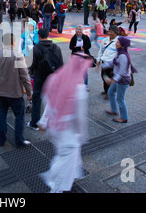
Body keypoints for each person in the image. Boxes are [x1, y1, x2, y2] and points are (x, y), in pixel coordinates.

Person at [37, 53, 92, 193]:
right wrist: (81, 135)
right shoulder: (78, 89)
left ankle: (68, 177)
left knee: (66, 156)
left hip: (55, 127)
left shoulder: (55, 78)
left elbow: (47, 101)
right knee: (64, 160)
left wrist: (44, 121)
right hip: (69, 133)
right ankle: (55, 186)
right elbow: (79, 117)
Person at [0, 33, 33, 148]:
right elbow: (24, 76)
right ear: (13, 42)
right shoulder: (18, 56)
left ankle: (1, 139)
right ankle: (19, 140)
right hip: (15, 92)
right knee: (19, 116)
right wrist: (29, 92)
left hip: (0, 92)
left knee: (1, 114)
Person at [27, 28, 63, 131]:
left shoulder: (36, 48)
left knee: (37, 99)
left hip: (40, 76)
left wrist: (32, 73)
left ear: (39, 36)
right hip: (53, 77)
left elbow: (31, 65)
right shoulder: (57, 48)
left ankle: (34, 123)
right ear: (48, 35)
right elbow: (60, 64)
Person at [100, 36, 136, 123]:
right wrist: (102, 65)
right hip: (118, 80)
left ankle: (124, 117)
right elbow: (113, 62)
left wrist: (113, 80)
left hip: (122, 81)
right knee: (111, 92)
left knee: (120, 99)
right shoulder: (119, 53)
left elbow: (123, 73)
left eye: (118, 42)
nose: (116, 43)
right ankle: (114, 110)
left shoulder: (123, 56)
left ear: (122, 45)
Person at [96, 25, 119, 99]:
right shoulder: (105, 40)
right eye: (109, 31)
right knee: (104, 77)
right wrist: (98, 60)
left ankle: (110, 94)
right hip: (104, 62)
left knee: (110, 79)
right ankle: (106, 90)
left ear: (116, 33)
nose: (110, 33)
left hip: (112, 64)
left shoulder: (118, 42)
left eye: (112, 32)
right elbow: (101, 51)